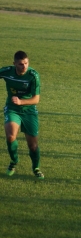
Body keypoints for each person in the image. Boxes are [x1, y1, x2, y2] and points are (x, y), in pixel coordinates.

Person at [0, 51, 44, 179]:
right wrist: (16, 103)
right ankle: (14, 161)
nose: (24, 66)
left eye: (26, 63)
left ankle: (36, 168)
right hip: (12, 108)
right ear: (14, 64)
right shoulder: (7, 71)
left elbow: (36, 99)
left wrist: (21, 101)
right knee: (10, 136)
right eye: (20, 64)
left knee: (33, 145)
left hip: (29, 111)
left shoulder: (33, 75)